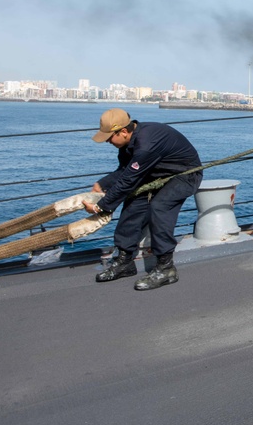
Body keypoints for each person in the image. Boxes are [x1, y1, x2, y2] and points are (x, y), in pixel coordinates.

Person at [83, 108, 202, 290]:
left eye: (109, 137)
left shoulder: (146, 143)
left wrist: (101, 207)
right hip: (156, 174)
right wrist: (103, 184)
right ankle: (125, 261)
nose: (107, 141)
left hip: (184, 175)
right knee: (133, 204)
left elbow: (129, 179)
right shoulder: (128, 143)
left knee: (159, 206)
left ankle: (166, 268)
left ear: (123, 131)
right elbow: (125, 170)